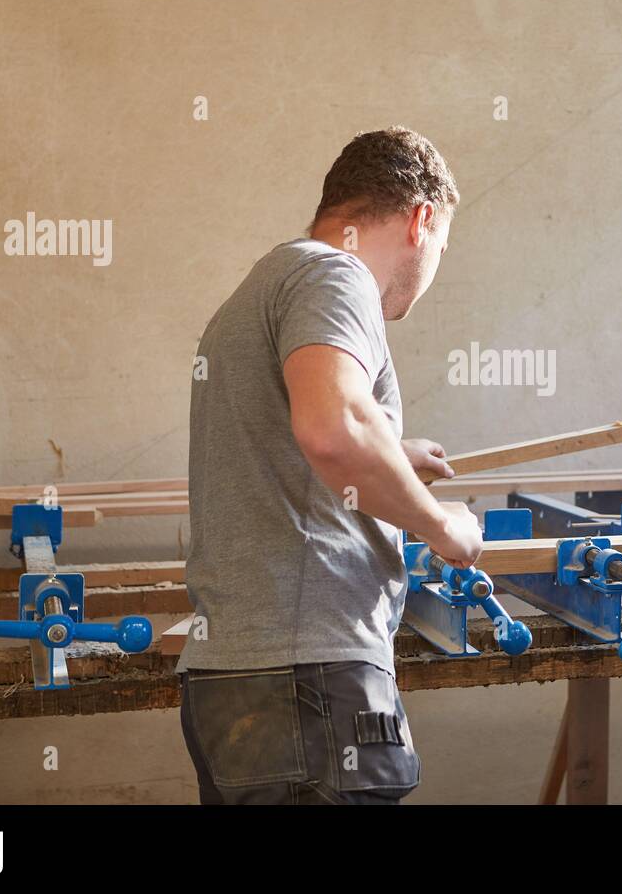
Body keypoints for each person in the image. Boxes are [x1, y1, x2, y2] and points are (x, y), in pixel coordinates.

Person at [177, 127, 484, 804]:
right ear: (421, 218)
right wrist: (440, 525)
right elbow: (333, 426)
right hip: (309, 684)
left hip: (240, 686)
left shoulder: (264, 285)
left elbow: (282, 444)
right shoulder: (334, 274)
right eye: (441, 245)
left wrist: (392, 457)